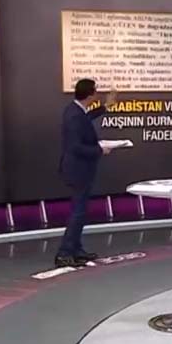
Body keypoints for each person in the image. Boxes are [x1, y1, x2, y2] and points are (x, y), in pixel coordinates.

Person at [55, 78, 117, 268]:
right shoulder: (74, 115)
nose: (97, 95)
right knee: (78, 212)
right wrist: (100, 150)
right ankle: (64, 253)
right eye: (95, 92)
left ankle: (76, 250)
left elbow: (86, 119)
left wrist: (105, 107)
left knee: (80, 212)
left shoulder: (76, 111)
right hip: (78, 170)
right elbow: (75, 147)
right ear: (90, 95)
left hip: (81, 169)